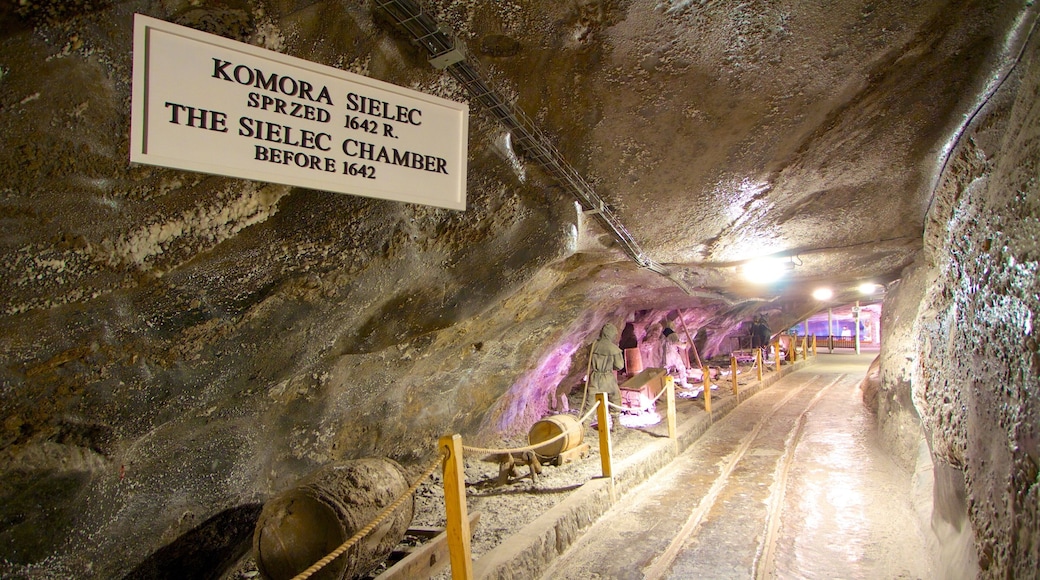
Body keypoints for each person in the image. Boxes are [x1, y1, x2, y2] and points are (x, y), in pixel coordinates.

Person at [589, 322, 625, 432]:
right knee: (615, 398)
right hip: (607, 377)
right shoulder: (613, 349)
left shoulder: (594, 346)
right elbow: (619, 366)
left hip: (595, 376)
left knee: (590, 402)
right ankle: (616, 424)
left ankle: (585, 426)